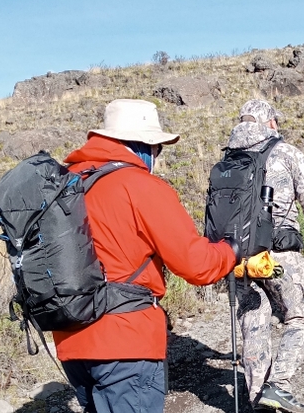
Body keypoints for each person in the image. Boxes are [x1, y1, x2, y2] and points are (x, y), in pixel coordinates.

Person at [52, 99, 240, 413]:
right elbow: (197, 266)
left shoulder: (66, 183)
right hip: (125, 339)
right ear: (140, 144)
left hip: (71, 340)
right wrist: (228, 251)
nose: (157, 156)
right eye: (157, 148)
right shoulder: (140, 186)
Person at [228, 99, 304, 413]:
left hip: (237, 258)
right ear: (270, 122)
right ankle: (280, 385)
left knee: (253, 324)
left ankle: (258, 397)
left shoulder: (228, 160)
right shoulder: (285, 153)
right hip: (279, 255)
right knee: (299, 317)